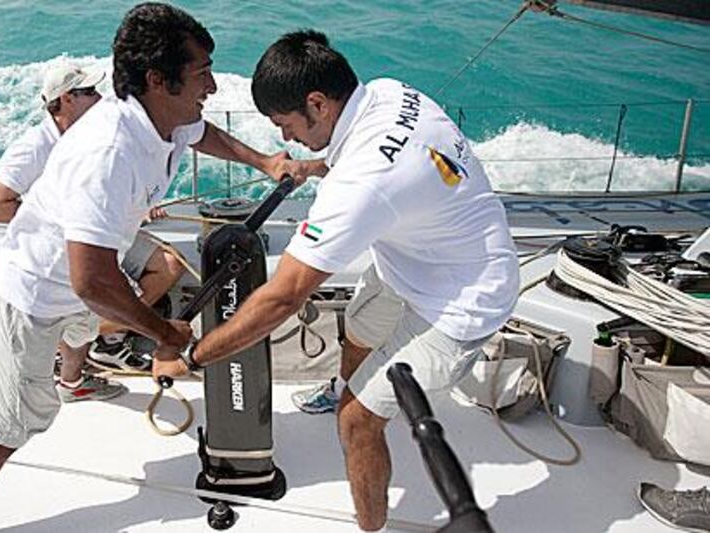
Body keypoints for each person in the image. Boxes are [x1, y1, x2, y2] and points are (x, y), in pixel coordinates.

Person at [0, 4, 297, 531]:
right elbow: (93, 281)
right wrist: (162, 333)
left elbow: (200, 134)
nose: (213, 86)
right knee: (12, 429)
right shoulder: (107, 154)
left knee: (87, 325)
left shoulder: (164, 118)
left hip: (76, 286)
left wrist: (266, 163)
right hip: (35, 296)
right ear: (157, 79)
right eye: (201, 74)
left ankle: (74, 380)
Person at [153, 31, 520, 532]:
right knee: (358, 331)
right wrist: (315, 166)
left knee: (357, 421)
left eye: (285, 125)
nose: (285, 139)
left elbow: (283, 297)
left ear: (318, 103)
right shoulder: (389, 92)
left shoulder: (361, 185)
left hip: (462, 302)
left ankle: (371, 525)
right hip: (417, 261)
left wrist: (193, 355)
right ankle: (348, 384)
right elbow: (379, 152)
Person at [0, 61, 183, 375]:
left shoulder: (97, 135)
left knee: (167, 266)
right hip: (61, 248)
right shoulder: (33, 146)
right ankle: (104, 339)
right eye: (89, 92)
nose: (100, 98)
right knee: (97, 285)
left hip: (108, 232)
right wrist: (72, 219)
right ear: (65, 99)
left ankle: (95, 346)